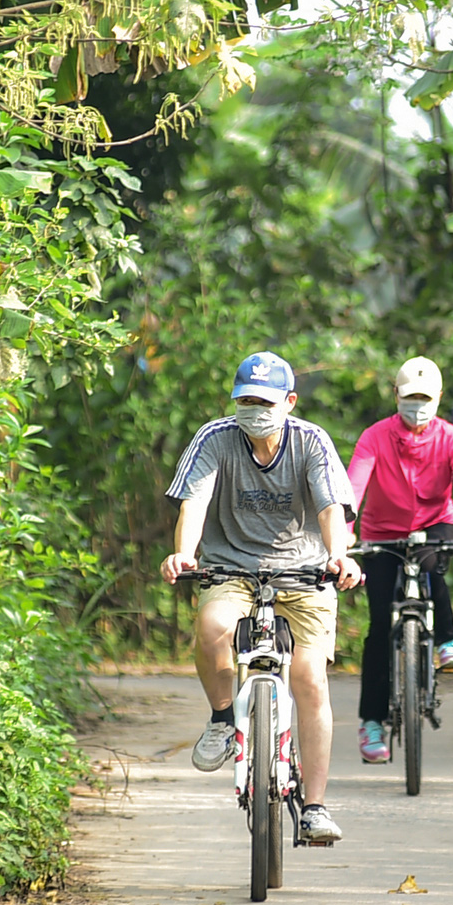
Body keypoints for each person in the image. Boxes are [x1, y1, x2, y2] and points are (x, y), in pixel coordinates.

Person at [160, 351, 362, 844]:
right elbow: (195, 500)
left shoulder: (312, 442)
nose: (256, 409)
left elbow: (331, 506)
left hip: (306, 572)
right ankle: (223, 718)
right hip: (232, 567)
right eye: (246, 400)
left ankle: (314, 806)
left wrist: (339, 556)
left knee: (310, 678)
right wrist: (183, 553)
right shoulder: (215, 438)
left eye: (266, 401)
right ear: (234, 400)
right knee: (212, 628)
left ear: (289, 402)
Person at [345, 356, 453, 764]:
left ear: (439, 398)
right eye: (410, 397)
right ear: (396, 395)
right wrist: (343, 529)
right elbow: (354, 486)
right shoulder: (375, 437)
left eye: (425, 398)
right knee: (379, 626)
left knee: (432, 572)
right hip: (381, 531)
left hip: (435, 524)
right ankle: (371, 722)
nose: (418, 405)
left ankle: (446, 640)